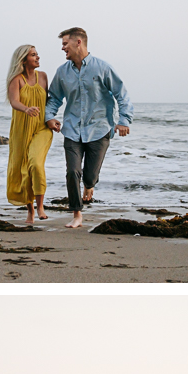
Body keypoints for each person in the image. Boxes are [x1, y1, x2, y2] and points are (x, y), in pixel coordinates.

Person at [45, 27, 134, 229]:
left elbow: (122, 94)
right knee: (72, 172)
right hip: (72, 130)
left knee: (89, 175)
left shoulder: (102, 68)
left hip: (99, 129)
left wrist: (124, 120)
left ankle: (90, 185)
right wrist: (50, 117)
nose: (62, 48)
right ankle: (77, 214)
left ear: (79, 43)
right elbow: (53, 99)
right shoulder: (62, 72)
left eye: (65, 44)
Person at [5, 45, 53, 225]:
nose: (38, 57)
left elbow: (50, 102)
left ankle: (40, 205)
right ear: (23, 60)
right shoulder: (16, 80)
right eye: (33, 55)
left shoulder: (44, 77)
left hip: (41, 128)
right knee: (23, 169)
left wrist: (52, 119)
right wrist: (26, 109)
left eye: (37, 54)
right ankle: (30, 211)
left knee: (35, 163)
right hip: (21, 129)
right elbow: (14, 101)